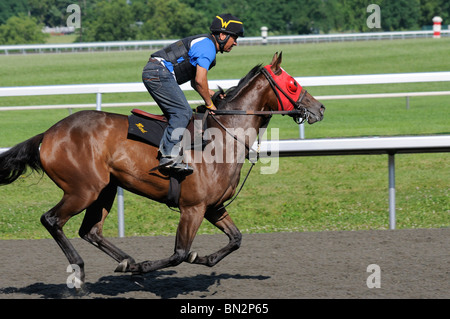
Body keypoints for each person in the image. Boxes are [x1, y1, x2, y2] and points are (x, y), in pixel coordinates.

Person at [142, 13, 244, 173]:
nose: (236, 43)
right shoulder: (208, 47)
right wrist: (210, 105)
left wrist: (213, 94)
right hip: (158, 72)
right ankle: (168, 156)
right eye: (235, 38)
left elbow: (195, 83)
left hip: (156, 71)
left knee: (179, 113)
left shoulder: (206, 45)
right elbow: (199, 81)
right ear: (223, 35)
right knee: (182, 112)